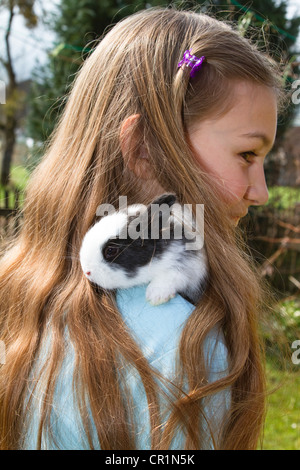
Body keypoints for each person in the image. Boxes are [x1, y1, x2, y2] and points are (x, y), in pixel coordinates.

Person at [0, 8, 286, 450]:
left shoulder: (19, 300)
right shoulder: (188, 348)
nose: (261, 192)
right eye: (248, 154)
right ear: (145, 150)